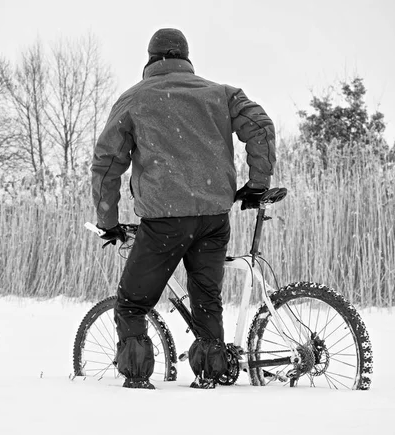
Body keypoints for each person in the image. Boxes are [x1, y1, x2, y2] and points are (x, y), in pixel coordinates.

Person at [91, 28, 276, 389]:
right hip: (213, 217)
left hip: (164, 220)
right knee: (207, 301)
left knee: (132, 303)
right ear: (185, 58)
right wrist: (257, 184)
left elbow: (107, 164)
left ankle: (136, 380)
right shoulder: (220, 94)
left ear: (151, 60)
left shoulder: (134, 100)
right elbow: (260, 126)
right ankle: (211, 372)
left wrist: (108, 222)